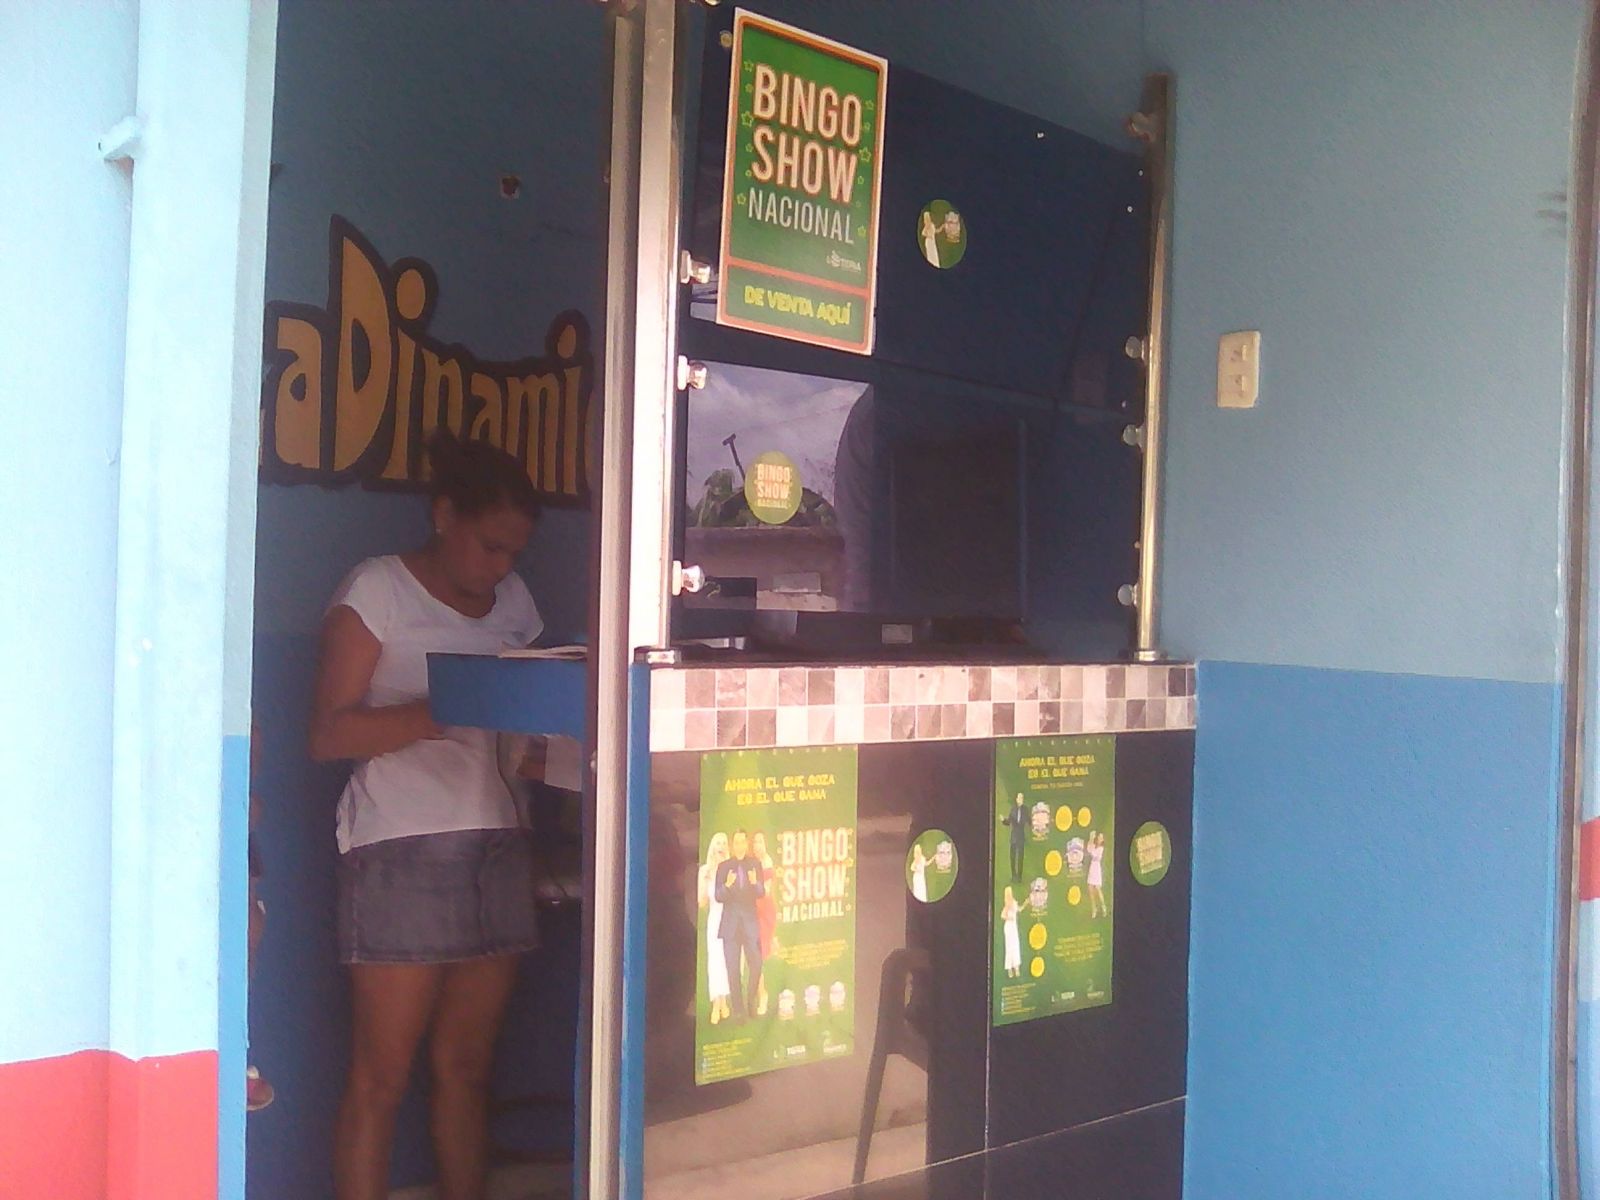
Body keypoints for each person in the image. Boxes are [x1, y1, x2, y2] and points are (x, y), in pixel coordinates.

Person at [310, 429, 548, 1200]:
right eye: (489, 545)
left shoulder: (515, 602)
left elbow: (525, 730)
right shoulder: (377, 589)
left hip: (498, 844)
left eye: (515, 551)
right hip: (398, 850)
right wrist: (443, 709)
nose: (501, 566)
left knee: (467, 1068)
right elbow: (327, 734)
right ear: (444, 515)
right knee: (380, 1077)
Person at [715, 829, 765, 1023]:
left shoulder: (755, 864)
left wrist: (754, 883)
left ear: (747, 844)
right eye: (736, 842)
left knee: (756, 964)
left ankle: (751, 1001)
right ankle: (738, 1010)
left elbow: (761, 892)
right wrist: (727, 885)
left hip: (750, 924)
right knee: (733, 970)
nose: (740, 846)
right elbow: (718, 896)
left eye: (743, 842)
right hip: (731, 926)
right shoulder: (724, 867)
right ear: (732, 845)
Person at [698, 832, 732, 1025]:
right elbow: (702, 902)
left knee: (727, 960)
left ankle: (724, 1001)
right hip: (715, 920)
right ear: (713, 847)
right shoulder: (705, 871)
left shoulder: (732, 870)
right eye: (718, 843)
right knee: (715, 961)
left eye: (724, 843)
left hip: (730, 920)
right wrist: (704, 883)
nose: (721, 846)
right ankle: (716, 1004)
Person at [751, 831, 779, 1016]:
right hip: (752, 910)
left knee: (757, 955)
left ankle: (762, 994)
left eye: (760, 841)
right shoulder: (751, 862)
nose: (757, 845)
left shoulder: (767, 863)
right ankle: (759, 992)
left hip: (764, 911)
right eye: (755, 842)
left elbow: (765, 892)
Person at [1000, 793, 1027, 881]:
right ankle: (1013, 875)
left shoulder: (1025, 810)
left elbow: (1028, 820)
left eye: (1022, 798)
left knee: (1020, 857)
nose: (1021, 800)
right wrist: (1003, 820)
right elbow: (1009, 822)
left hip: (1021, 837)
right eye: (1020, 798)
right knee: (1013, 857)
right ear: (1016, 799)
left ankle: (1019, 876)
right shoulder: (1013, 810)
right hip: (1014, 837)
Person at [1000, 886, 1022, 979]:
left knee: (1015, 946)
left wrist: (1026, 903)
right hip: (1009, 927)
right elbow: (1002, 915)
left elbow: (1019, 909)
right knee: (1009, 947)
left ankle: (1016, 967)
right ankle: (1009, 968)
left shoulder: (1014, 902)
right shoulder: (1007, 904)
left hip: (1013, 927)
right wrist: (1010, 918)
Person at [1086, 831, 1108, 919]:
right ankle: (1094, 909)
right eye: (1099, 837)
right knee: (1090, 889)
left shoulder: (1101, 849)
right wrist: (1091, 838)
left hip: (1096, 868)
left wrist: (1091, 840)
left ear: (1103, 840)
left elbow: (1094, 854)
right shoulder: (1094, 846)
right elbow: (1088, 849)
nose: (1099, 838)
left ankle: (1103, 907)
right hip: (1092, 867)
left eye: (1101, 837)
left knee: (1098, 889)